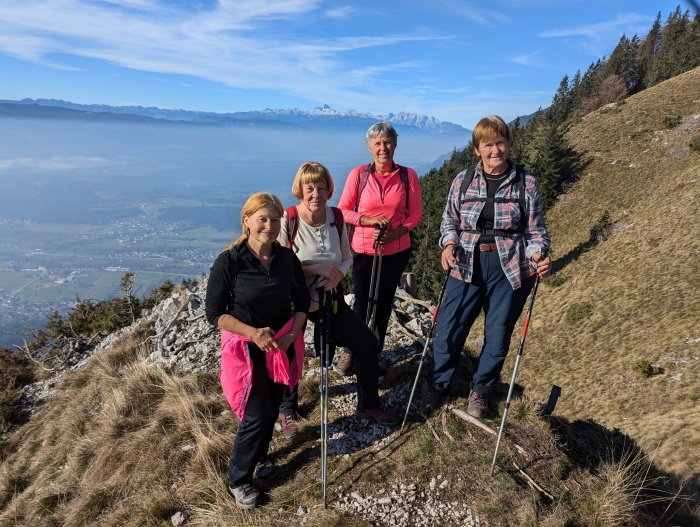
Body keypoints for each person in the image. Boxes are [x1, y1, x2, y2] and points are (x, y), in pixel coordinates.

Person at [419, 115, 551, 418]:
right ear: (477, 148)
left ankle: (481, 391)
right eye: (488, 144)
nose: (496, 150)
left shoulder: (525, 183)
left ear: (508, 144)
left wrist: (538, 255)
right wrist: (448, 244)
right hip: (465, 263)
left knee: (498, 332)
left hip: (511, 267)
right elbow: (449, 220)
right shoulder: (463, 179)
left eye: (501, 142)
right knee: (449, 327)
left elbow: (536, 231)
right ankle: (438, 384)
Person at [277, 161, 399, 436]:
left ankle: (368, 403)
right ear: (300, 189)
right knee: (289, 351)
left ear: (329, 190)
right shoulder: (289, 219)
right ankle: (287, 409)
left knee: (366, 343)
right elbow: (279, 266)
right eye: (310, 188)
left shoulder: (336, 217)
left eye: (321, 187)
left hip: (328, 297)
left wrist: (336, 277)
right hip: (293, 302)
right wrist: (314, 269)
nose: (316, 194)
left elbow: (346, 257)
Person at [205, 192, 310, 509]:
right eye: (262, 218)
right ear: (246, 221)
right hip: (246, 348)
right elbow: (215, 313)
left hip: (281, 344)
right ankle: (238, 480)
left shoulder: (287, 259)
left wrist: (292, 334)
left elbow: (302, 302)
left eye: (275, 219)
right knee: (255, 412)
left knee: (273, 407)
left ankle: (262, 456)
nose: (269, 225)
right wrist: (253, 333)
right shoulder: (230, 261)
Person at [336, 122, 423, 373]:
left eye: (387, 142)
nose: (383, 147)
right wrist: (367, 220)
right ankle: (352, 351)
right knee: (362, 303)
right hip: (364, 249)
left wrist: (397, 232)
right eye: (377, 143)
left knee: (384, 304)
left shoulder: (408, 176)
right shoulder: (359, 175)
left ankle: (374, 352)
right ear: (369, 147)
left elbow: (415, 214)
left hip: (396, 251)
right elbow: (343, 211)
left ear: (395, 144)